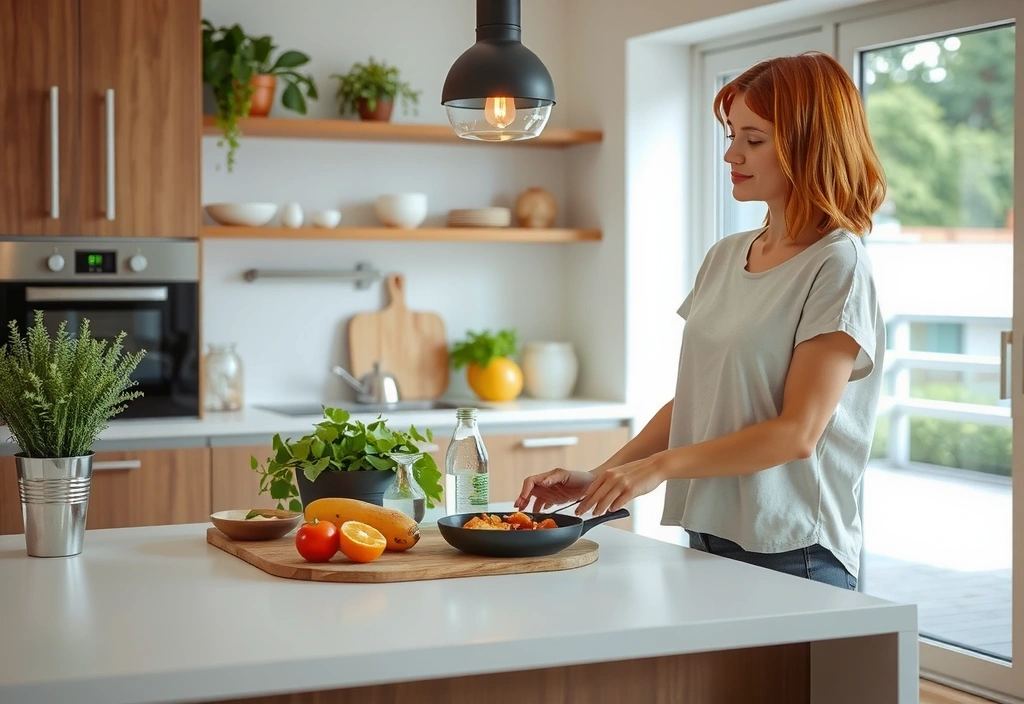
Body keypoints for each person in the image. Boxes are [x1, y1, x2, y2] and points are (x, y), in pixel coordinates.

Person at [514, 51, 887, 590]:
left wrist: (657, 470)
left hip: (793, 549)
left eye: (753, 139)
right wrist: (600, 477)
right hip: (708, 535)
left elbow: (797, 434)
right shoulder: (726, 254)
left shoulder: (838, 264)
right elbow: (696, 399)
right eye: (732, 134)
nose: (732, 153)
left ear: (810, 144)